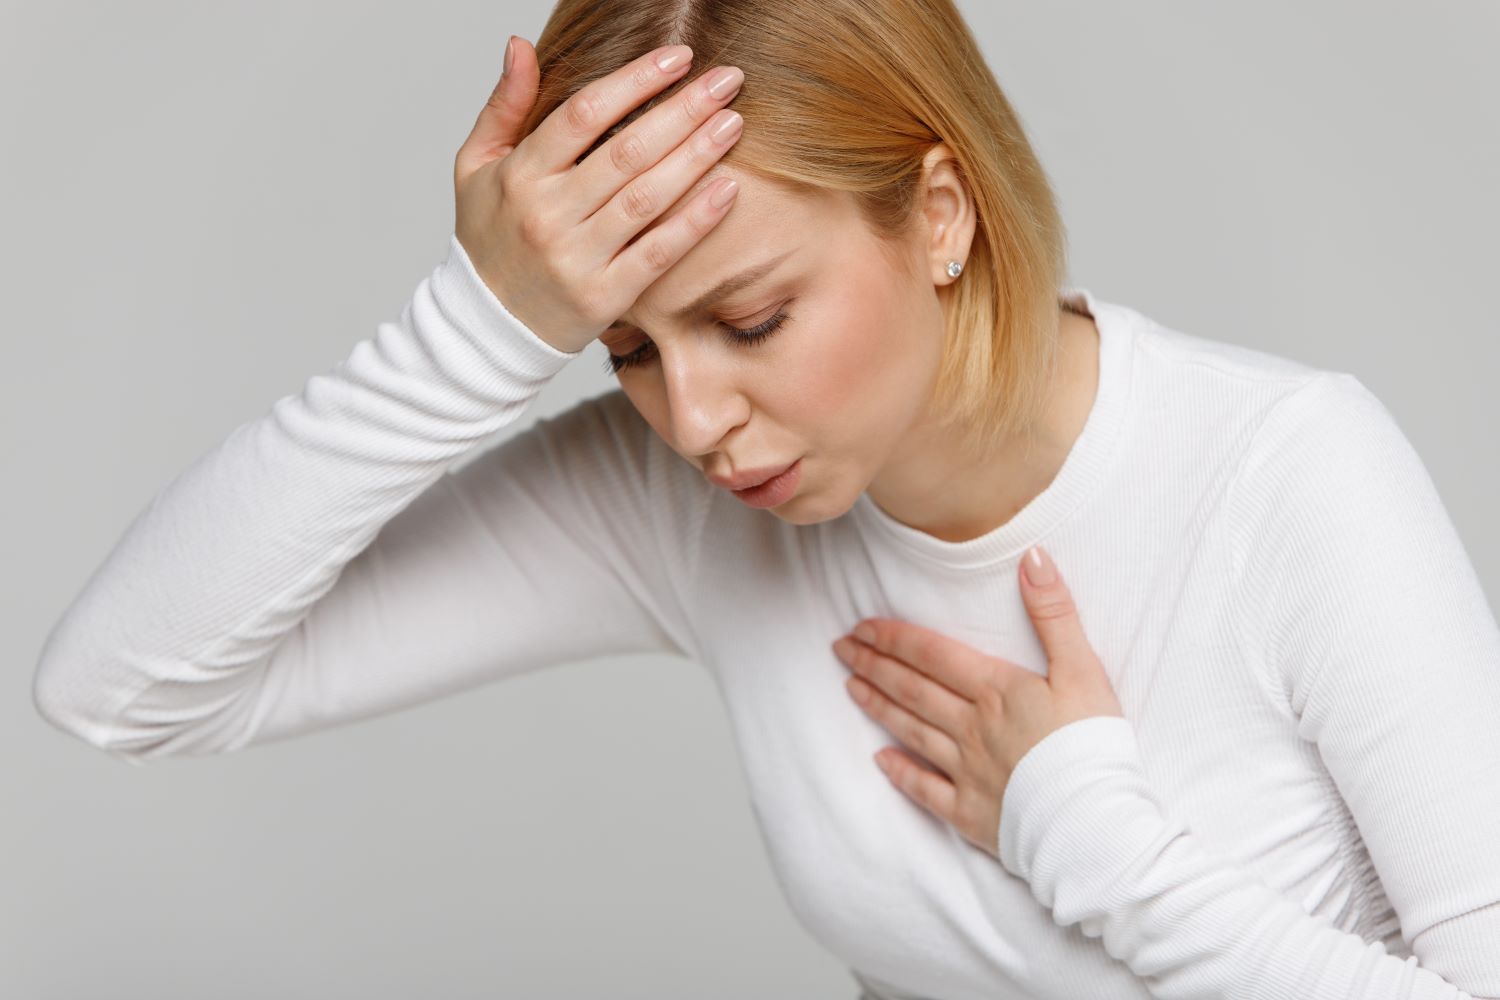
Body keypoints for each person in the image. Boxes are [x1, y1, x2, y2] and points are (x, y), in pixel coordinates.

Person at [32, 2, 1500, 998]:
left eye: (749, 321)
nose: (693, 419)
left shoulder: (1286, 472)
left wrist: (1091, 840)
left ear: (939, 212)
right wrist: (482, 324)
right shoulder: (688, 501)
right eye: (620, 347)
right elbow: (123, 687)